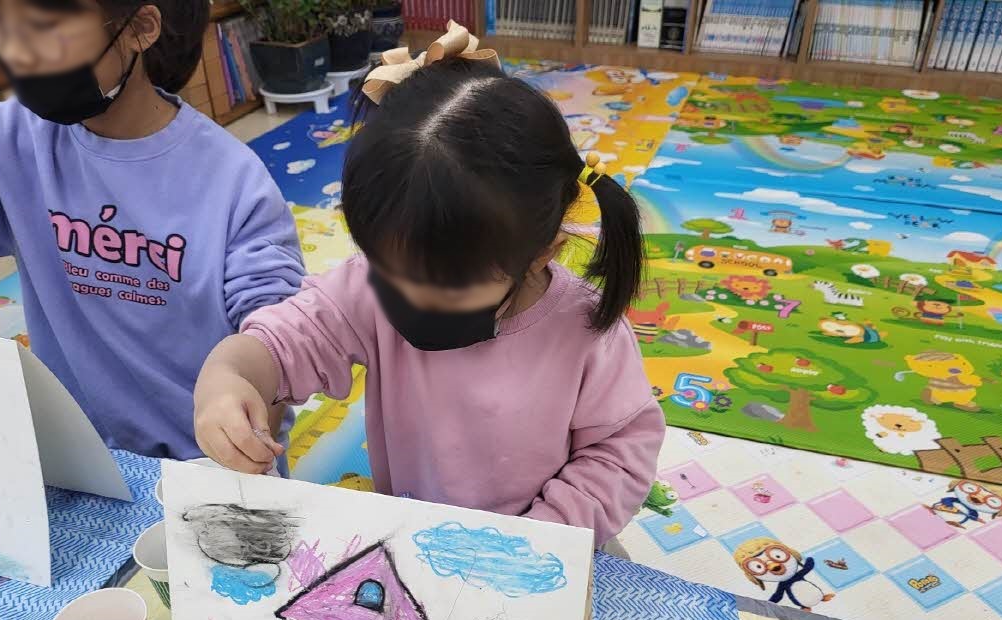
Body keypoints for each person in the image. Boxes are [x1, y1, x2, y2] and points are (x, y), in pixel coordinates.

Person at [193, 25, 664, 547]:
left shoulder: (585, 330)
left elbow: (618, 453)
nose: (407, 299)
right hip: (418, 545)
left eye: (444, 290)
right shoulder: (369, 289)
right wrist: (228, 379)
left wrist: (538, 538)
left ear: (541, 252)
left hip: (548, 550)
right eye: (388, 272)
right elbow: (282, 342)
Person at [0, 0, 304, 458]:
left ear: (141, 28)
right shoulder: (7, 139)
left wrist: (241, 420)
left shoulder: (233, 181)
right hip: (79, 457)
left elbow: (276, 335)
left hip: (208, 459)